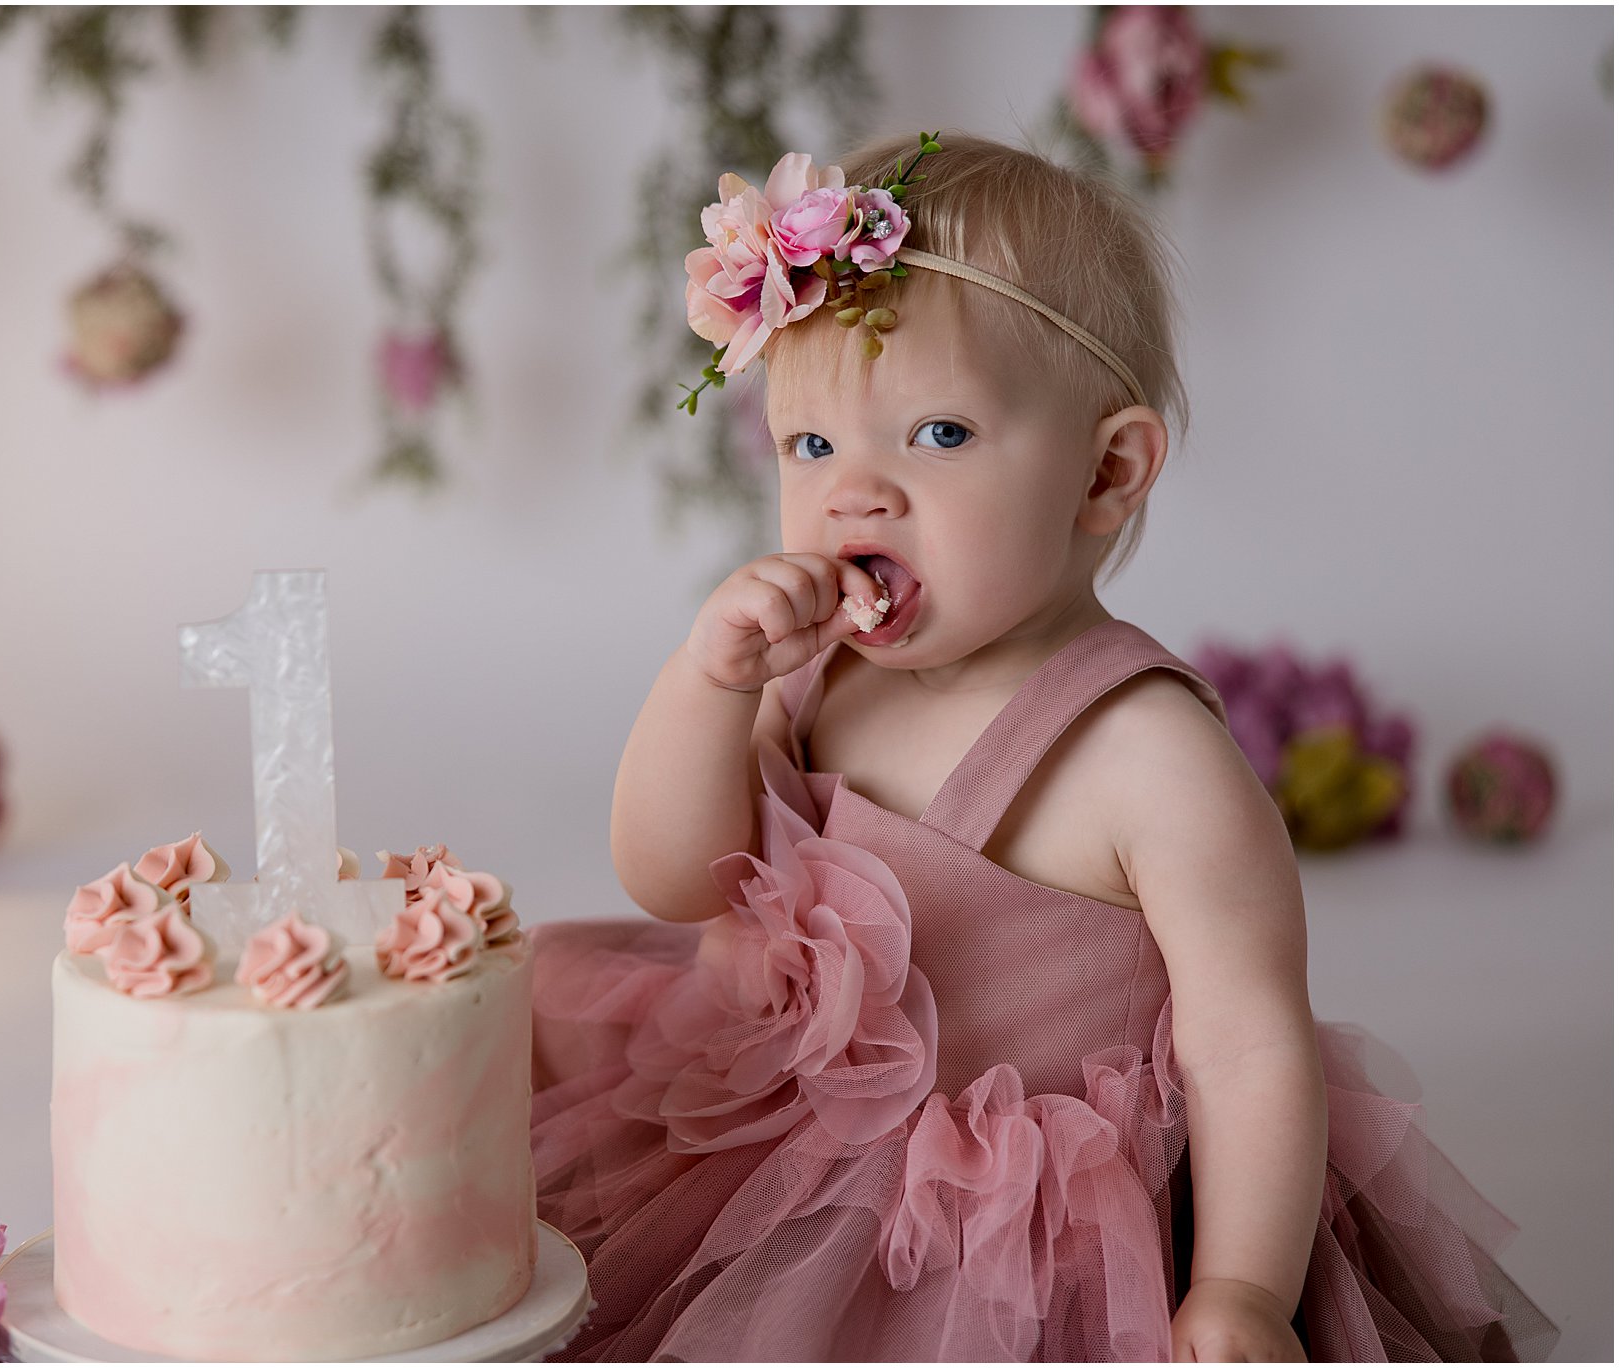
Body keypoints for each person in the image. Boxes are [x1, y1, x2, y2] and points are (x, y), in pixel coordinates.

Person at [528, 130, 1557, 1362]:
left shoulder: (1144, 756)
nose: (855, 494)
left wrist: (1238, 1289)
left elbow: (1245, 1040)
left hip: (1019, 1235)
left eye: (939, 435)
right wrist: (703, 683)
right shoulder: (804, 669)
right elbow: (667, 878)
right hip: (765, 1142)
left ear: (1104, 473)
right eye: (811, 447)